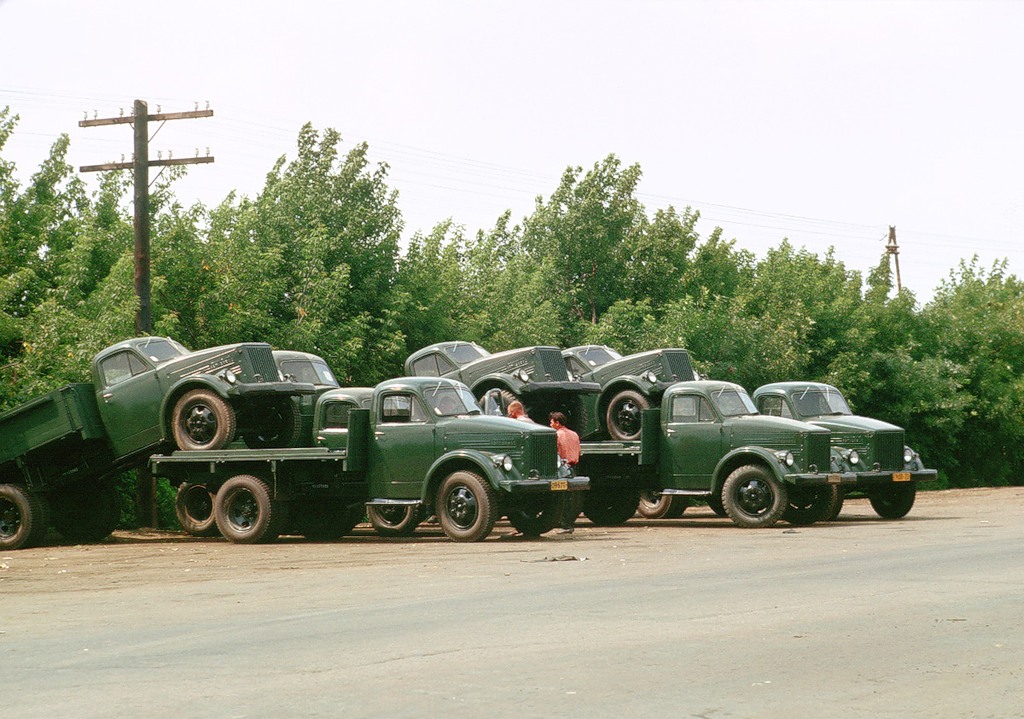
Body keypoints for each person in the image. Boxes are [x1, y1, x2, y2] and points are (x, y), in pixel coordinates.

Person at [548, 411, 581, 535]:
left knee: (561, 498)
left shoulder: (557, 435)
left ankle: (565, 524)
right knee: (570, 498)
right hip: (573, 467)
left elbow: (554, 452)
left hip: (562, 468)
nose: (550, 424)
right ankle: (568, 523)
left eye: (551, 422)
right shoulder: (574, 434)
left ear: (557, 423)